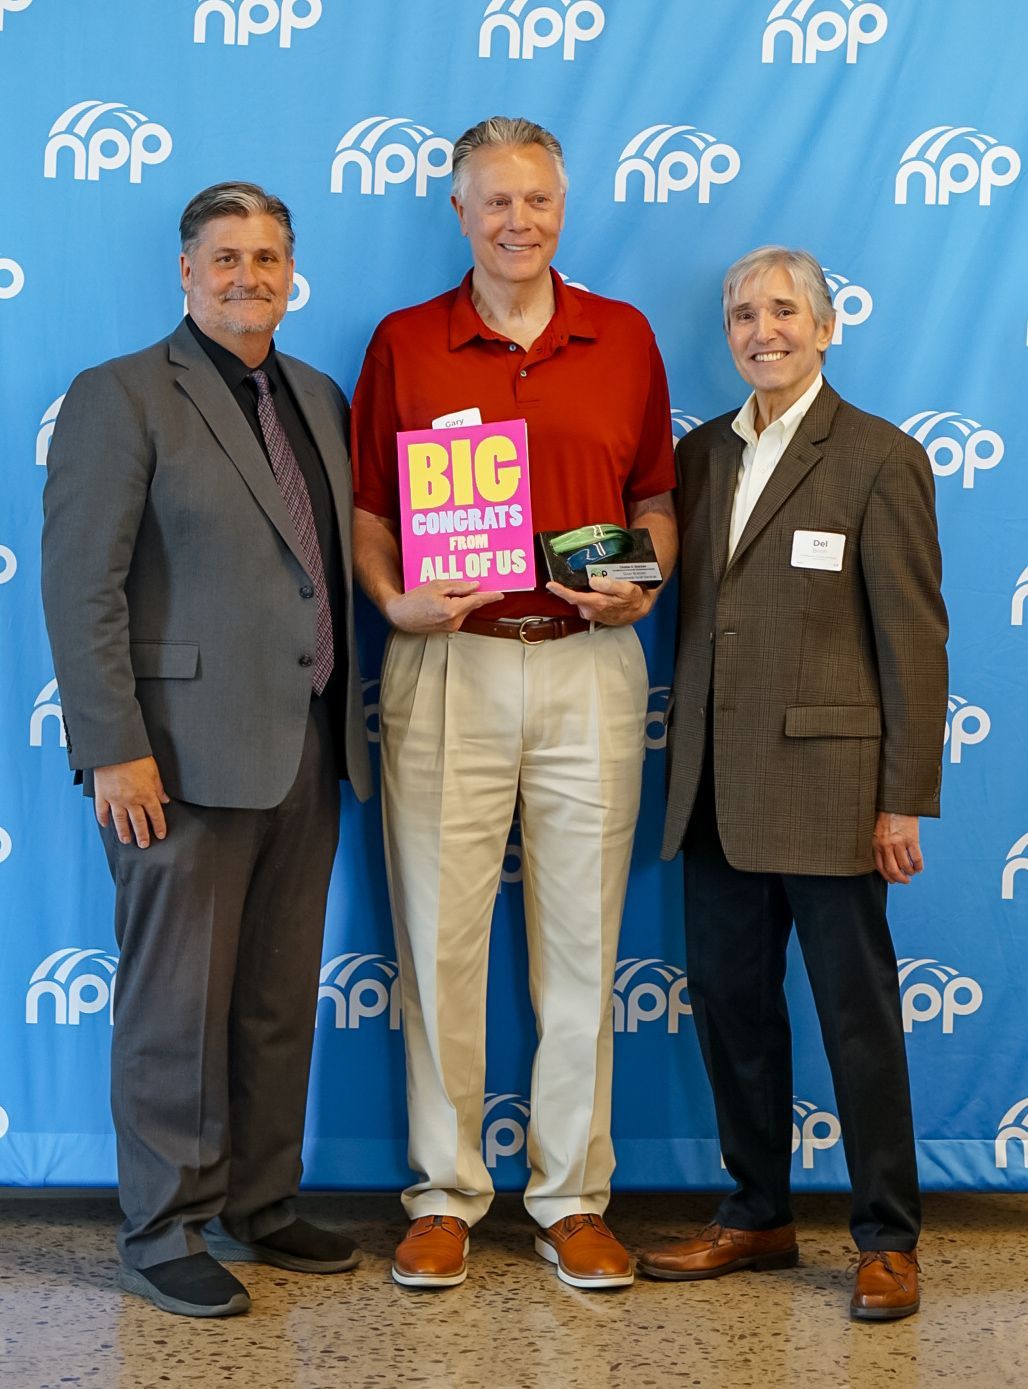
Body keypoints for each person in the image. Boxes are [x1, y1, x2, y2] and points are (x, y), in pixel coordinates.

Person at [352, 116, 676, 1290]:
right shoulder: (404, 343)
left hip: (589, 665)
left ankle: (570, 1197)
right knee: (439, 939)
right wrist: (391, 600)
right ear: (457, 211)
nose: (517, 220)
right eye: (494, 201)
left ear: (563, 205)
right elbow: (371, 509)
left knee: (582, 944)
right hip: (450, 664)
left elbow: (654, 498)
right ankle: (443, 1193)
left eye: (536, 199)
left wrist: (645, 584)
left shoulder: (624, 335)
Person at [41, 182, 372, 1318]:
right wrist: (115, 748)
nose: (247, 275)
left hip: (307, 749)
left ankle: (260, 1200)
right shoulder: (120, 394)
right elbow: (80, 585)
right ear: (186, 272)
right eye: (224, 256)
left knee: (277, 997)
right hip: (172, 761)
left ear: (292, 273)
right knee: (177, 1003)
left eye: (267, 256)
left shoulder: (320, 397)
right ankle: (166, 1222)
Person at [637, 247, 948, 1320]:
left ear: (824, 327)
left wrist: (901, 796)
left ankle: (886, 1236)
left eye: (780, 311)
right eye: (740, 314)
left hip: (829, 791)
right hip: (713, 788)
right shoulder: (695, 457)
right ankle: (757, 1211)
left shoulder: (876, 457)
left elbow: (913, 641)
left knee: (855, 1016)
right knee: (730, 1009)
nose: (759, 329)